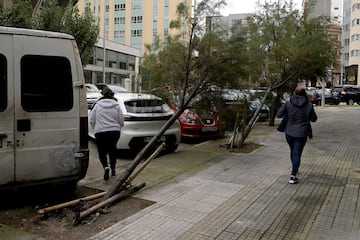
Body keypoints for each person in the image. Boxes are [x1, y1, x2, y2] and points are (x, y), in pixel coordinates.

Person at [277, 86, 317, 184]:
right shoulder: (309, 105)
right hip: (302, 133)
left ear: (294, 93)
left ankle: (295, 169)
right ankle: (293, 175)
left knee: (293, 151)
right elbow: (314, 119)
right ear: (304, 93)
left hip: (289, 132)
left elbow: (279, 114)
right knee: (297, 153)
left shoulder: (288, 103)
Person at [90, 86, 124, 181]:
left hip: (100, 132)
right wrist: (117, 128)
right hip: (114, 132)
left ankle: (106, 167)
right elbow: (121, 121)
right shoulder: (116, 105)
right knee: (112, 149)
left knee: (102, 152)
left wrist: (96, 129)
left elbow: (92, 120)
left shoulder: (97, 105)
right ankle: (113, 169)